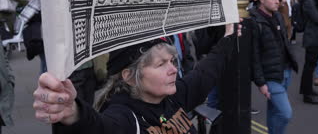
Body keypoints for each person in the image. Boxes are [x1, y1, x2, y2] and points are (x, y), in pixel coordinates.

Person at [32, 23, 241, 133]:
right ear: (130, 76)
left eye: (172, 61)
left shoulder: (173, 96)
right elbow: (99, 127)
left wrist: (229, 36)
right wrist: (73, 114)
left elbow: (207, 70)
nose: (173, 70)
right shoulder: (125, 116)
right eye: (161, 64)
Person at [250, 0, 298, 134]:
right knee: (285, 113)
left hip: (285, 70)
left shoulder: (277, 15)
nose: (277, 1)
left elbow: (284, 42)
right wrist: (261, 82)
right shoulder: (253, 21)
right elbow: (254, 55)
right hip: (270, 76)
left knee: (274, 110)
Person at [299, 0, 318, 105]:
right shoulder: (309, 0)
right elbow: (316, 17)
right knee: (309, 66)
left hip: (314, 35)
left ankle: (308, 90)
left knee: (311, 65)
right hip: (312, 35)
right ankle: (306, 94)